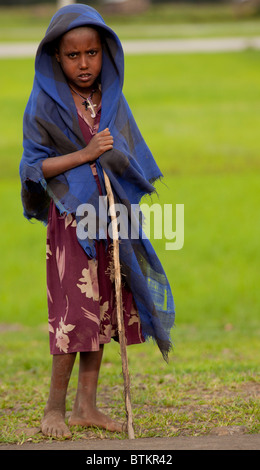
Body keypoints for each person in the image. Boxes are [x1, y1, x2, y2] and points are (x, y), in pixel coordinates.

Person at [20, 4, 175, 439]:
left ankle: (86, 406)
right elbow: (32, 167)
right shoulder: (44, 103)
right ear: (55, 57)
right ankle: (53, 409)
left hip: (110, 217)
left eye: (92, 53)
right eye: (73, 56)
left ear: (105, 52)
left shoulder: (111, 99)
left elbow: (129, 152)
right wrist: (87, 156)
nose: (84, 64)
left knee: (105, 308)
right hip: (72, 222)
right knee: (74, 312)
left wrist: (117, 170)